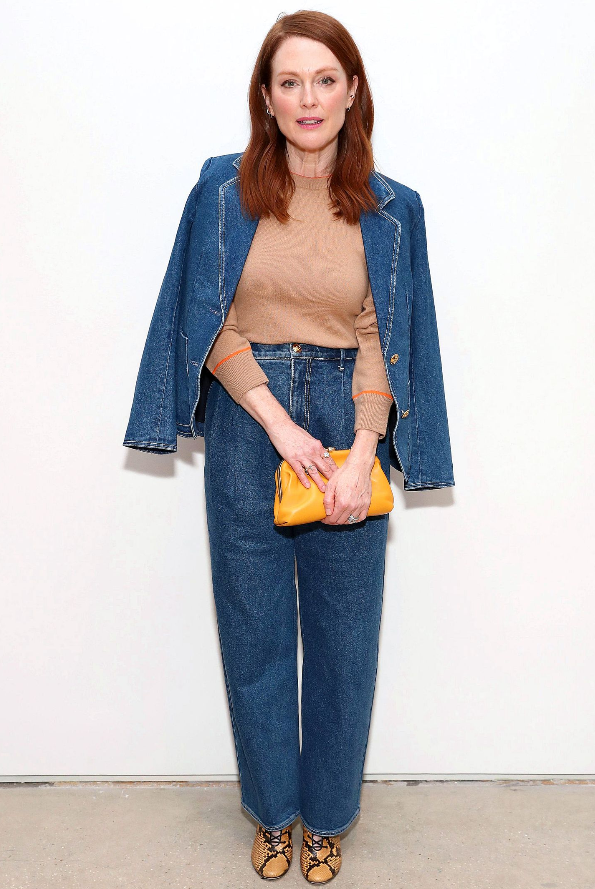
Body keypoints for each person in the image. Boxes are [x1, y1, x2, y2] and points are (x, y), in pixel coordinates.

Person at [123, 10, 455, 883]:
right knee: (254, 632)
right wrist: (276, 420)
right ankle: (274, 815)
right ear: (265, 100)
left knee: (345, 641)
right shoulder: (221, 191)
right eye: (289, 81)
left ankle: (329, 817)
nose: (308, 98)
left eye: (324, 79)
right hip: (249, 417)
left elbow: (387, 331)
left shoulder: (392, 208)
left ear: (351, 92)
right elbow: (208, 315)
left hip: (350, 417)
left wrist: (361, 452)